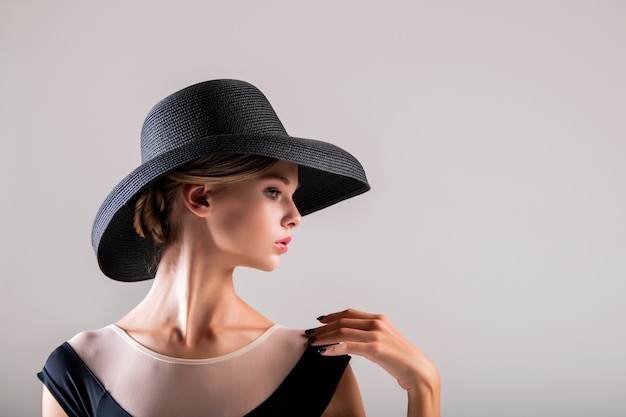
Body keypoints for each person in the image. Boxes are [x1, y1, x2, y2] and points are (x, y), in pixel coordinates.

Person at [38, 79, 440, 417]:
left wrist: (422, 384)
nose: (296, 216)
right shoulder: (77, 368)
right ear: (200, 198)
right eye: (273, 191)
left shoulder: (316, 366)